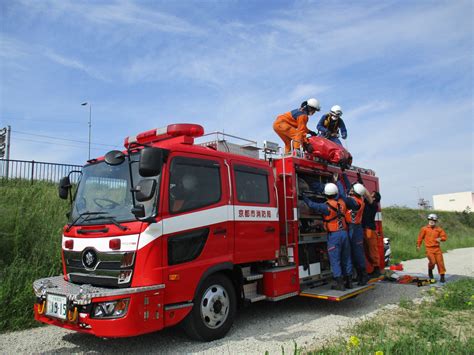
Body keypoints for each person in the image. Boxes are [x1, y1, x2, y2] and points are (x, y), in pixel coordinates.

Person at [302, 177, 352, 291]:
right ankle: (349, 282)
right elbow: (341, 191)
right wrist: (337, 181)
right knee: (346, 258)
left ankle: (339, 283)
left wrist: (303, 197)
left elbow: (311, 205)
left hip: (334, 236)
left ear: (326, 194)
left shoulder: (326, 206)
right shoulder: (342, 203)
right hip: (345, 234)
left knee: (335, 259)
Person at [340, 173, 370, 286]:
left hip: (355, 229)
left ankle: (363, 276)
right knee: (353, 253)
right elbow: (348, 188)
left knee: (357, 253)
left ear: (355, 192)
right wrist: (343, 174)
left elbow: (343, 196)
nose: (350, 190)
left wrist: (336, 184)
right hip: (352, 228)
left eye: (352, 189)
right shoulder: (356, 197)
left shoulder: (355, 202)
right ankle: (358, 275)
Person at [417, 213, 448, 283]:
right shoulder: (424, 229)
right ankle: (430, 271)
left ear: (436, 221)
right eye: (430, 220)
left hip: (437, 249)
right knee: (432, 262)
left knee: (440, 263)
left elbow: (444, 237)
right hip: (429, 249)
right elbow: (420, 238)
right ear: (428, 220)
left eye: (433, 220)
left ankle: (442, 276)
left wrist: (440, 239)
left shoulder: (439, 229)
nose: (431, 221)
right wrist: (418, 245)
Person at [361, 190, 382, 277]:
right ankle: (374, 269)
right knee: (367, 250)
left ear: (374, 198)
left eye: (372, 194)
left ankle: (377, 270)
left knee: (372, 250)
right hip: (365, 229)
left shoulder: (374, 205)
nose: (370, 194)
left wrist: (362, 186)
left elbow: (367, 195)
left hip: (369, 230)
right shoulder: (368, 202)